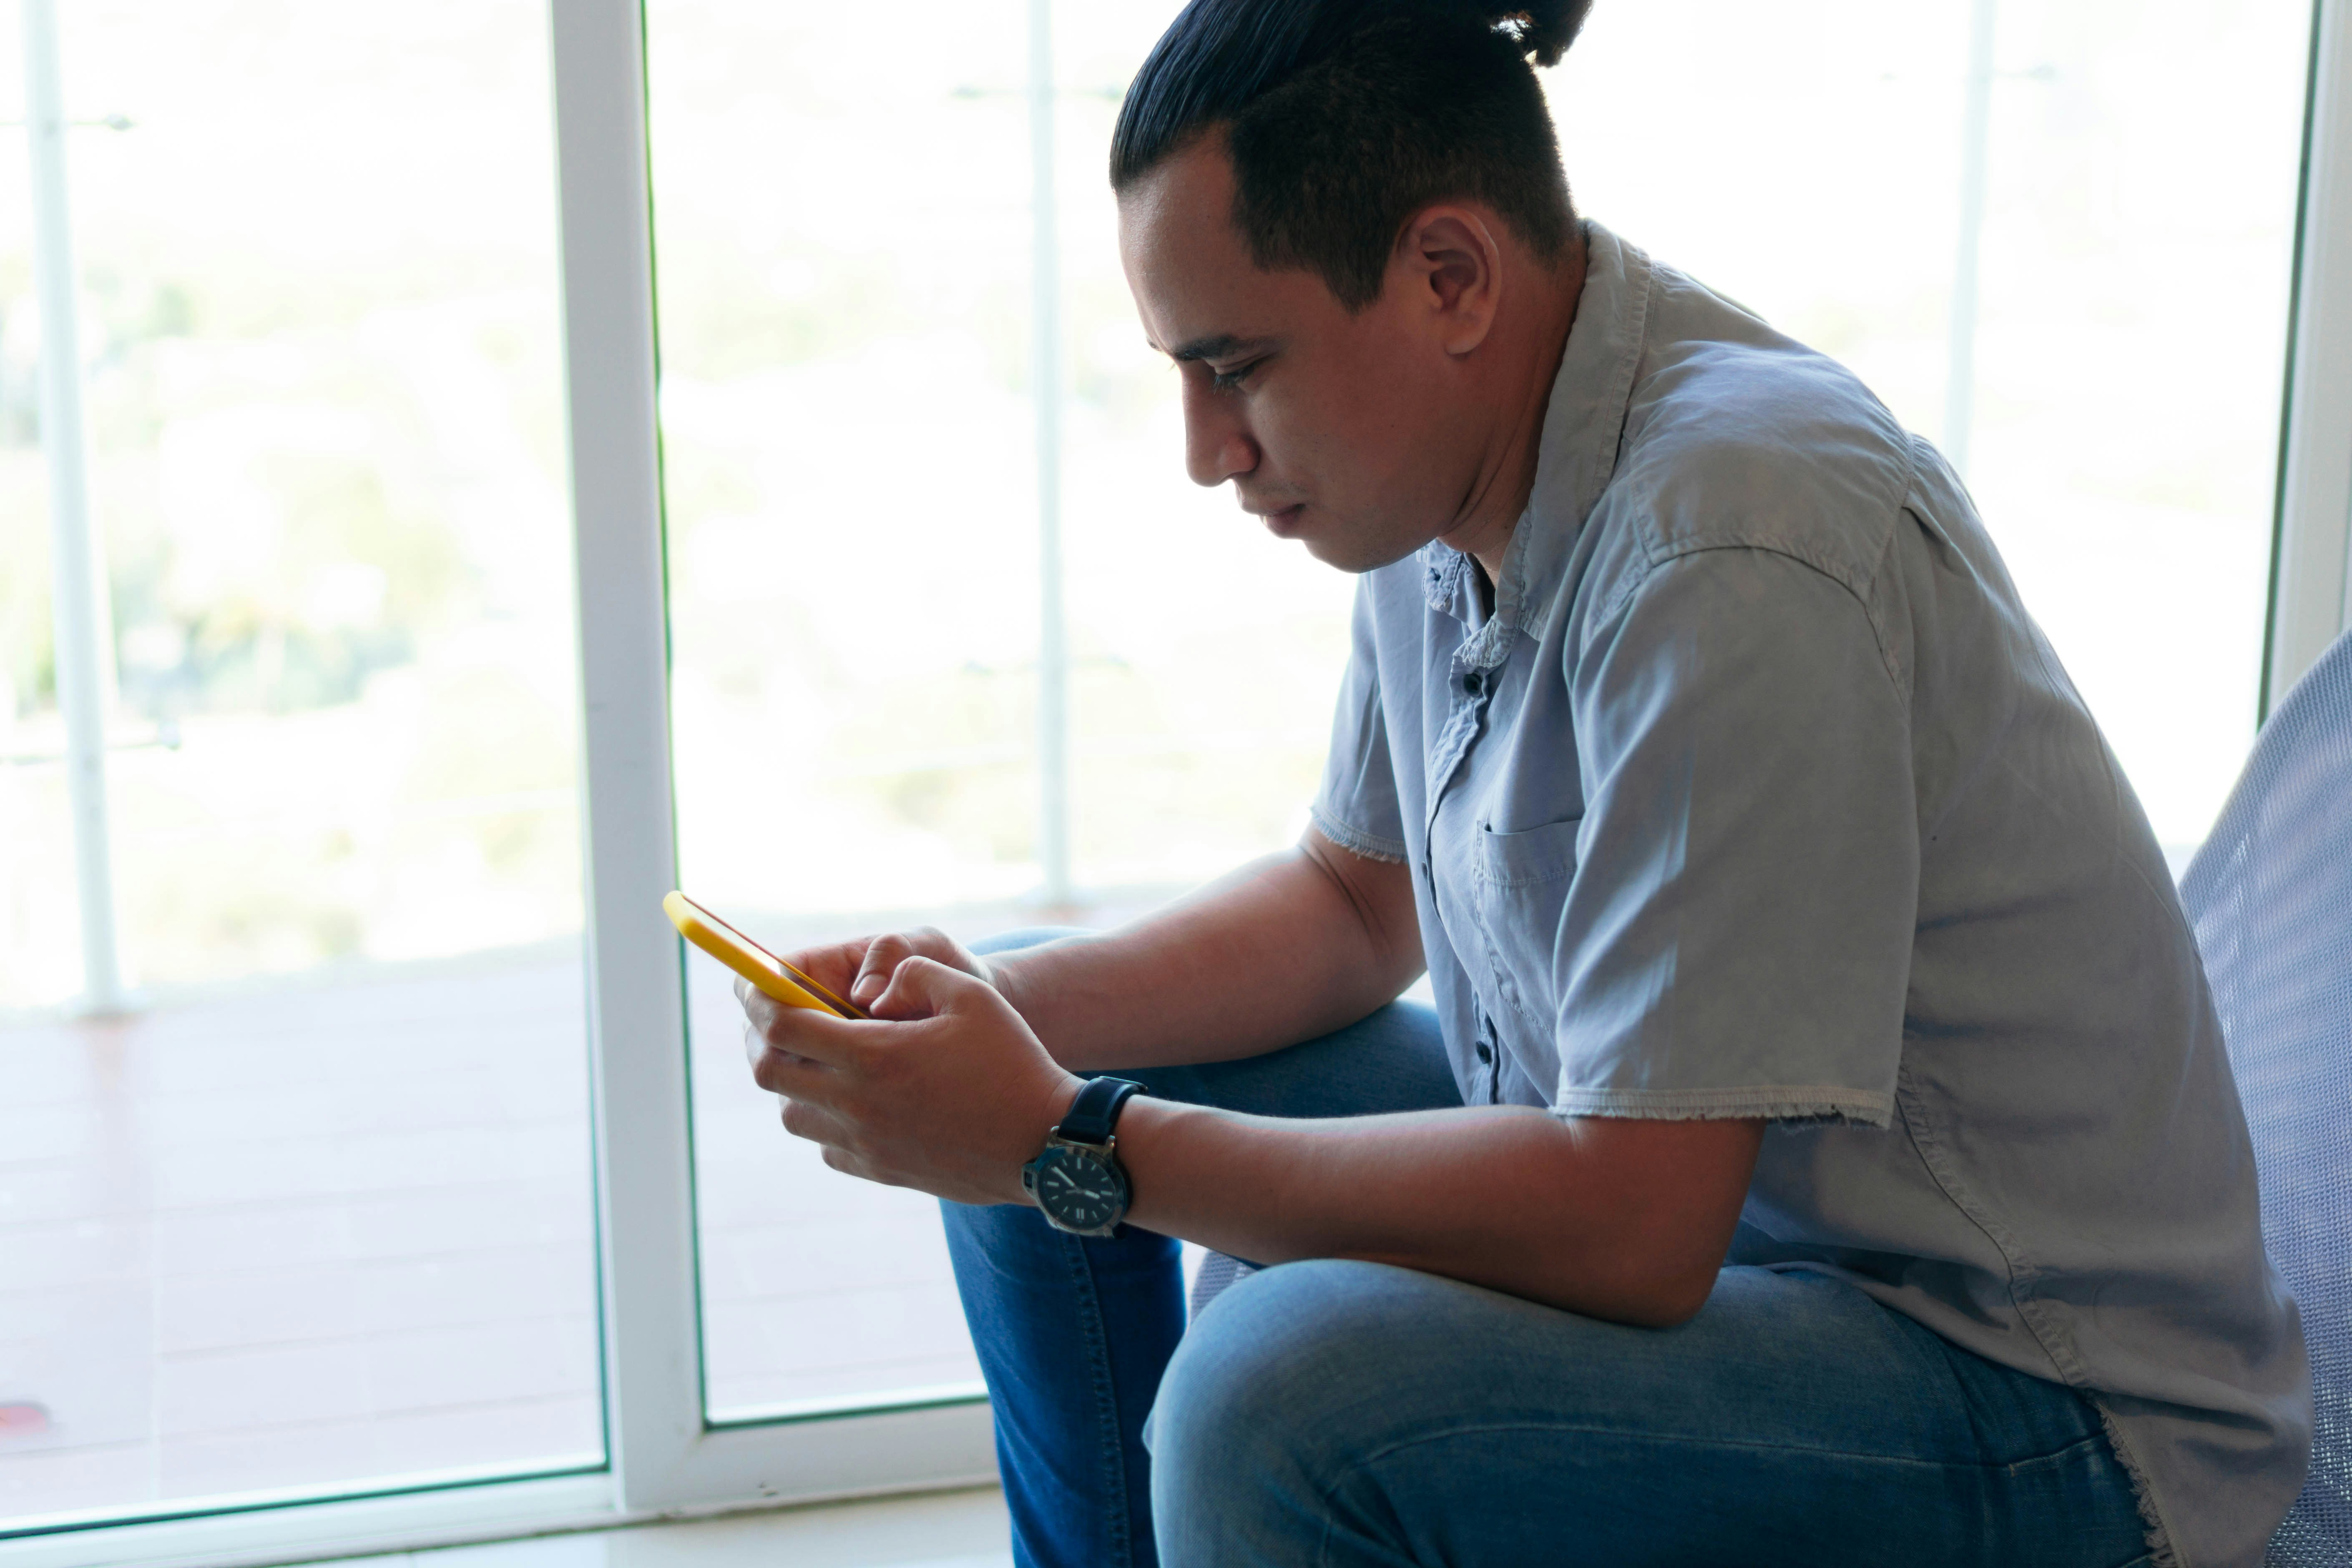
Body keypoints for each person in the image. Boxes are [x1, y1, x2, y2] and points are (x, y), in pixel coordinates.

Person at [734, 2, 2312, 1563]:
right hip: (1727, 1224)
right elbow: (1355, 905)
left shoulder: (1734, 542)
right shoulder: (1453, 459)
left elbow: (1636, 1225)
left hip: (2032, 1399)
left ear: (1448, 278)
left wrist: (1071, 1135)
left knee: (1262, 1391)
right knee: (1014, 1077)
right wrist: (988, 1021)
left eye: (1238, 368)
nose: (1209, 449)